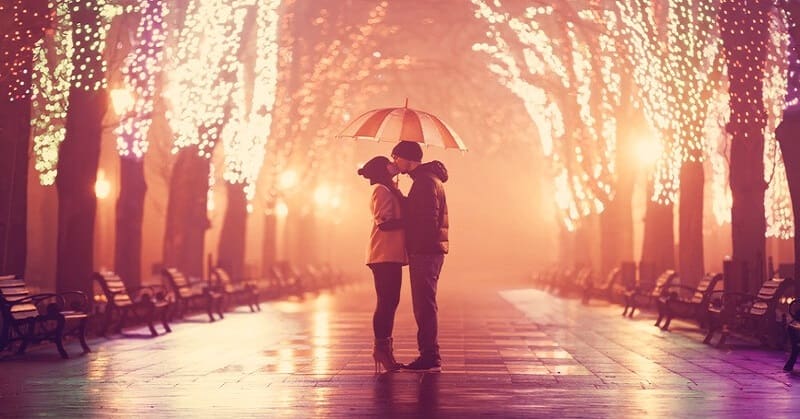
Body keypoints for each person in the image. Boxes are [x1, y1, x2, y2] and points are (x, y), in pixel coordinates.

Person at [391, 140, 448, 372]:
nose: (394, 161)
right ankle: (429, 353)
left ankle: (430, 356)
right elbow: (420, 211)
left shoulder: (424, 183)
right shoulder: (428, 180)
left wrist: (402, 226)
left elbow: (424, 219)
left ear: (408, 159)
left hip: (425, 251)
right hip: (430, 249)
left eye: (396, 157)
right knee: (425, 302)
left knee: (423, 304)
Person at [358, 155, 407, 373]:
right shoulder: (380, 190)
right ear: (382, 169)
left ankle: (385, 349)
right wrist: (412, 220)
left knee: (390, 302)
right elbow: (385, 223)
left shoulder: (389, 190)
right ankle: (381, 349)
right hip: (383, 254)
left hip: (391, 254)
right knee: (386, 302)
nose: (393, 164)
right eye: (389, 163)